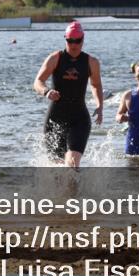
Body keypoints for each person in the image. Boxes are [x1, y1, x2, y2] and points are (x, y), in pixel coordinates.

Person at [33, 21, 103, 169]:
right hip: (55, 118)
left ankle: (76, 192)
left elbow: (96, 85)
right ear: (65, 39)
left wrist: (99, 105)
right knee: (57, 170)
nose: (74, 44)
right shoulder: (55, 58)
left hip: (79, 119)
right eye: (70, 40)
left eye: (77, 41)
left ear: (83, 40)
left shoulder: (91, 62)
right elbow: (38, 81)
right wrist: (47, 91)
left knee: (72, 164)